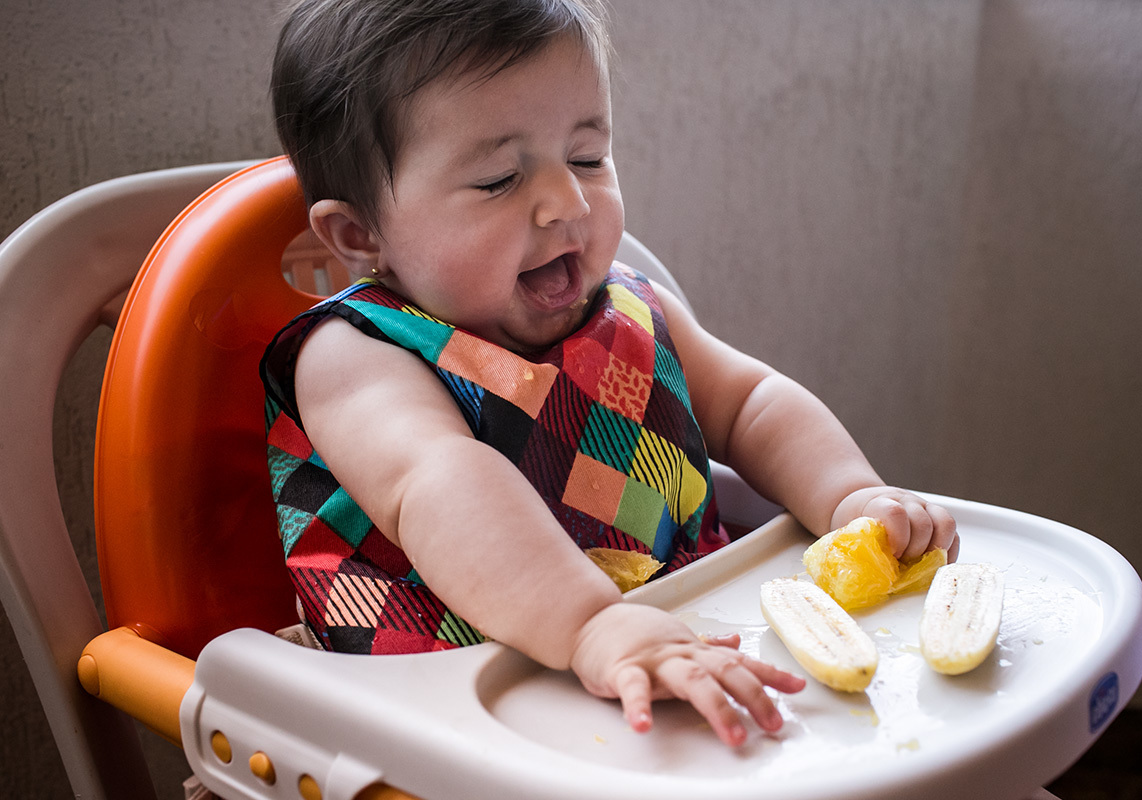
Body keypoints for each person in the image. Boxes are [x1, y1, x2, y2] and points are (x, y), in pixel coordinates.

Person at [261, 0, 958, 749]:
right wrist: (593, 624)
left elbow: (752, 403)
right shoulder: (356, 355)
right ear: (360, 234)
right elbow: (442, 485)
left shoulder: (624, 306)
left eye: (588, 156)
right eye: (499, 179)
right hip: (470, 715)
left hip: (681, 655)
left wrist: (847, 494)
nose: (568, 201)